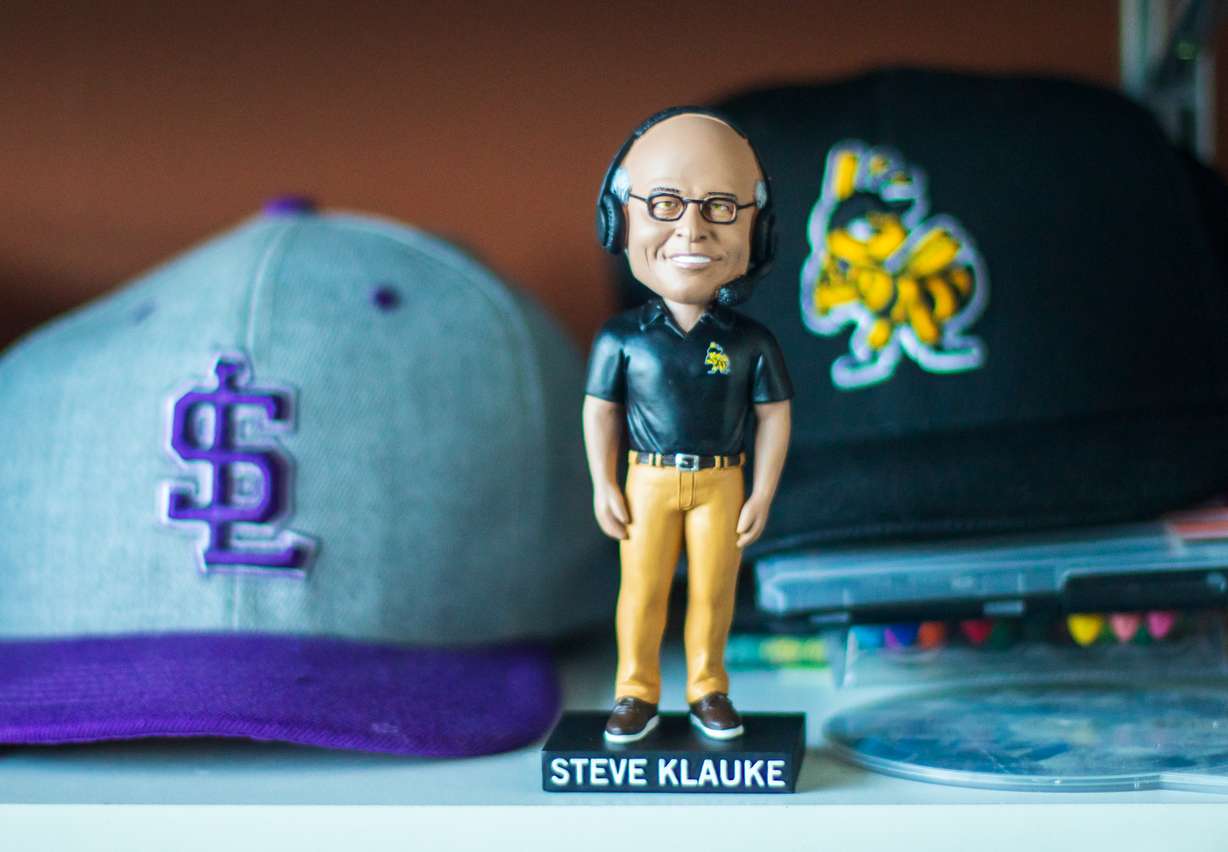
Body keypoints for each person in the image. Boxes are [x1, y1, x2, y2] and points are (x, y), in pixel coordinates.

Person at [584, 108, 792, 743]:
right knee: (641, 592)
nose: (692, 229)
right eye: (666, 203)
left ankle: (707, 687)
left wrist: (762, 492)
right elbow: (600, 409)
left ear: (757, 230)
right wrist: (603, 483)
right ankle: (635, 691)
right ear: (618, 218)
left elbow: (774, 414)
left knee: (714, 593)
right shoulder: (622, 338)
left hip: (721, 482)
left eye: (721, 207)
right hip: (647, 480)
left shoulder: (750, 341)